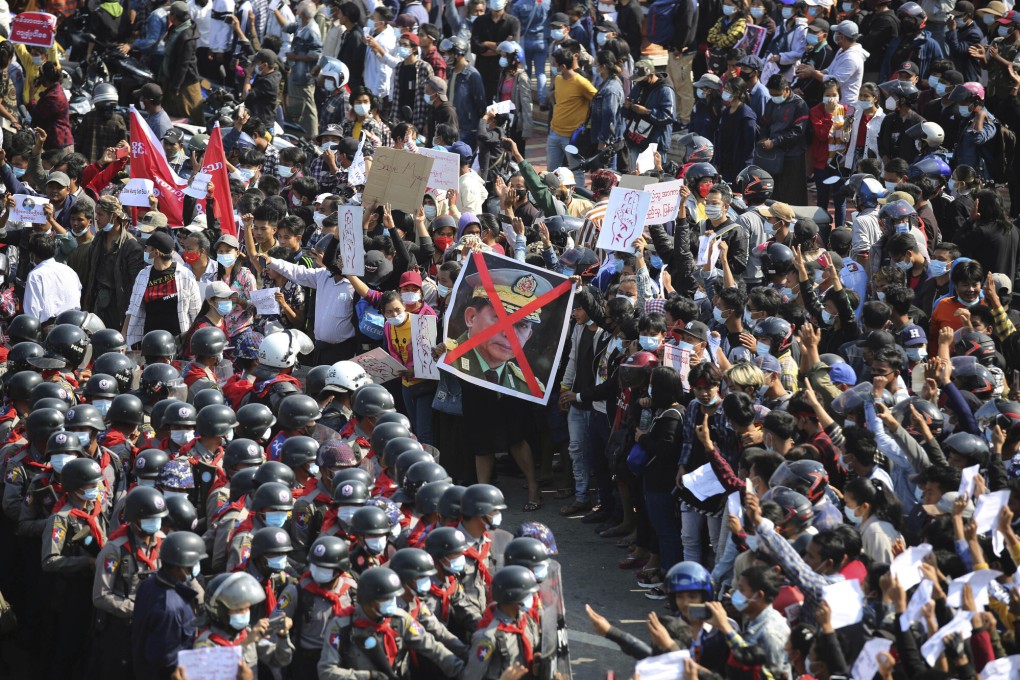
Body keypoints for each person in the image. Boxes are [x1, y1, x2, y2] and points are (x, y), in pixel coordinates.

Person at [132, 531, 207, 680]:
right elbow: (167, 660)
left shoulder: (150, 584)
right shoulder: (171, 607)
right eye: (192, 564)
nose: (195, 568)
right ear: (180, 568)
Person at [123, 231, 202, 349]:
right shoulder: (143, 275)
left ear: (156, 252)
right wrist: (123, 335)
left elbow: (195, 312)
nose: (145, 251)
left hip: (177, 344)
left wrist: (195, 343)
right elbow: (132, 309)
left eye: (147, 248)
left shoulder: (185, 275)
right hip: (149, 342)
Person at [755, 75, 810, 205]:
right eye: (772, 94)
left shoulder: (799, 104)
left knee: (792, 194)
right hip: (773, 155)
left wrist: (775, 141)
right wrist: (764, 138)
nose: (774, 97)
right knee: (774, 193)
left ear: (786, 90)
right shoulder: (771, 103)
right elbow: (764, 124)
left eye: (777, 94)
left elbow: (797, 131)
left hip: (792, 155)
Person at [547, 49, 596, 185]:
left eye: (554, 64)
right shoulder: (558, 79)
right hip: (554, 133)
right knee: (551, 171)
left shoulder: (581, 82)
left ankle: (579, 195)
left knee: (576, 170)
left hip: (572, 137)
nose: (553, 67)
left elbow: (597, 98)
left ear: (563, 66)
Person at [22, 232, 81, 324]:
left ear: (33, 254)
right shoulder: (69, 270)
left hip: (51, 325)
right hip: (76, 322)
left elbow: (32, 309)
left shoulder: (35, 275)